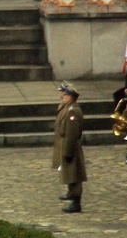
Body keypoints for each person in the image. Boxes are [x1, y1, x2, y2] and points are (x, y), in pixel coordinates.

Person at [56, 83, 86, 213]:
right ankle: (72, 194)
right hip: (67, 144)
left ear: (72, 97)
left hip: (71, 146)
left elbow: (72, 133)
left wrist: (67, 151)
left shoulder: (72, 111)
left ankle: (76, 202)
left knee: (75, 175)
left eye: (66, 94)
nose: (62, 95)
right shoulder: (67, 108)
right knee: (70, 173)